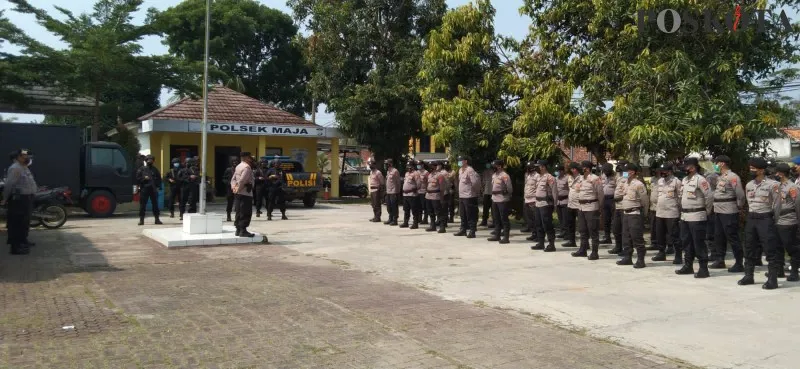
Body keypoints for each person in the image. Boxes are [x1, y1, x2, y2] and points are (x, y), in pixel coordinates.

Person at [740, 158, 781, 289]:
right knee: (749, 246)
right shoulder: (749, 185)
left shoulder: (773, 185)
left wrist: (773, 219)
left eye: (754, 169)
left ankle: (772, 279)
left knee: (769, 248)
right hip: (752, 218)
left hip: (765, 219)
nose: (751, 170)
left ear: (762, 170)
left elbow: (777, 205)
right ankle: (748, 275)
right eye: (750, 168)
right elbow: (748, 201)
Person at [675, 157, 713, 278]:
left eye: (686, 166)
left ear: (693, 167)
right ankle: (688, 266)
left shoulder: (700, 180)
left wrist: (706, 211)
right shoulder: (685, 180)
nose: (684, 168)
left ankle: (703, 268)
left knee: (699, 243)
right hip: (685, 216)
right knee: (686, 242)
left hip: (697, 215)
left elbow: (709, 197)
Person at [710, 155, 745, 272]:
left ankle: (739, 262)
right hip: (718, 209)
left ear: (722, 164)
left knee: (732, 236)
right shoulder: (719, 177)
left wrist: (739, 208)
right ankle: (720, 260)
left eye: (716, 163)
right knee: (718, 236)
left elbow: (740, 194)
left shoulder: (732, 177)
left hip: (729, 210)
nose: (715, 165)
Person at [2, 149, 37, 255]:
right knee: (16, 223)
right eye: (24, 156)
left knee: (24, 222)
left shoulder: (24, 167)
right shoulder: (15, 168)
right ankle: (15, 248)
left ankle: (22, 241)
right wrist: (5, 198)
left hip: (26, 198)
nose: (27, 158)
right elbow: (9, 185)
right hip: (18, 200)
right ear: (17, 158)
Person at [617, 163, 650, 268]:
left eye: (626, 171)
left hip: (635, 213)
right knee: (626, 237)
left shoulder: (638, 184)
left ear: (632, 172)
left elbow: (645, 200)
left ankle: (641, 260)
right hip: (626, 213)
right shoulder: (625, 183)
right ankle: (627, 257)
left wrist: (644, 214)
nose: (624, 173)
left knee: (637, 237)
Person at [571, 161, 604, 260]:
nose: (581, 169)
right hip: (581, 207)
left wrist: (600, 207)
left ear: (588, 168)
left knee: (593, 230)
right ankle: (583, 250)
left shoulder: (595, 178)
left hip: (591, 207)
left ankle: (595, 252)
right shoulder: (580, 178)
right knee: (582, 230)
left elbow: (600, 194)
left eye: (582, 167)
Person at [773, 163, 800, 282]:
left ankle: (794, 272)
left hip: (789, 220)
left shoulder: (792, 187)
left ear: (782, 173)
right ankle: (779, 270)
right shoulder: (776, 186)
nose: (775, 174)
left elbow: (798, 205)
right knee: (777, 247)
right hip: (777, 220)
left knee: (791, 247)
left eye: (777, 172)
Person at [651, 163, 682, 264]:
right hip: (660, 212)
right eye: (661, 171)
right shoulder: (660, 181)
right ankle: (661, 253)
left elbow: (680, 197)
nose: (662, 173)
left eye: (664, 171)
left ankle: (678, 255)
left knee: (674, 235)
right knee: (660, 234)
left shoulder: (676, 182)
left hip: (671, 212)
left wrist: (680, 210)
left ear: (670, 171)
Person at [532, 160, 559, 252]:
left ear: (543, 167)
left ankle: (551, 244)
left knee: (547, 224)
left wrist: (555, 205)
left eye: (539, 166)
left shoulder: (550, 177)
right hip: (538, 203)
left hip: (546, 204)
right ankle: (541, 243)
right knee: (538, 224)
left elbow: (555, 192)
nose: (537, 168)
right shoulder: (539, 177)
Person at [455, 155, 481, 238]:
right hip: (462, 196)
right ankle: (463, 229)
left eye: (460, 160)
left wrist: (475, 193)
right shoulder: (460, 170)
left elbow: (475, 183)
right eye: (458, 160)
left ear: (465, 161)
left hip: (469, 196)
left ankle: (472, 231)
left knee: (470, 214)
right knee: (462, 214)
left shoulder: (470, 170)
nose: (459, 161)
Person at [231, 152, 256, 237]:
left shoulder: (238, 166)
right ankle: (243, 230)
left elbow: (233, 179)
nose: (251, 159)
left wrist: (234, 188)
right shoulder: (247, 167)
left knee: (238, 211)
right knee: (245, 211)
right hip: (245, 193)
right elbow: (242, 180)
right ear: (246, 158)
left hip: (238, 192)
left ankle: (238, 230)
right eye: (249, 157)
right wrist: (239, 189)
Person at [488, 159, 513, 244]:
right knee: (496, 218)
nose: (493, 167)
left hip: (502, 199)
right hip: (494, 198)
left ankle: (506, 237)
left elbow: (509, 188)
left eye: (495, 166)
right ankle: (497, 235)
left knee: (504, 218)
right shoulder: (494, 175)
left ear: (499, 166)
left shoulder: (505, 175)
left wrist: (507, 195)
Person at [135, 155, 163, 226]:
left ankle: (157, 219)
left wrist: (158, 187)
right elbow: (137, 179)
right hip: (144, 189)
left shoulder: (155, 169)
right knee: (142, 205)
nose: (150, 161)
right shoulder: (141, 169)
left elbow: (159, 179)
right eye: (148, 160)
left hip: (153, 190)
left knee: (155, 205)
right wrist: (144, 178)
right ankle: (141, 220)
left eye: (151, 160)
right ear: (146, 161)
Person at [609, 160, 629, 254]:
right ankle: (618, 246)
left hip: (623, 205)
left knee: (624, 229)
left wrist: (619, 197)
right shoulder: (618, 176)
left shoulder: (626, 176)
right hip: (617, 205)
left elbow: (626, 190)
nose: (618, 167)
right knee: (616, 228)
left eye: (620, 166)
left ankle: (626, 249)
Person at [562, 162, 582, 248]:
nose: (572, 170)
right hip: (570, 204)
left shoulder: (581, 178)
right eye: (571, 168)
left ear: (577, 169)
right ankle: (571, 241)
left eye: (573, 168)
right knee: (570, 224)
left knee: (581, 225)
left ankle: (584, 243)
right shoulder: (569, 178)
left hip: (579, 204)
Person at [425, 161, 446, 233]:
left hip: (436, 196)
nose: (429, 167)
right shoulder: (429, 175)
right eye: (429, 166)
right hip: (428, 196)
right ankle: (432, 226)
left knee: (439, 212)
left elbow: (442, 188)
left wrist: (441, 198)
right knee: (430, 212)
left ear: (435, 166)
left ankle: (442, 227)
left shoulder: (440, 175)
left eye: (431, 166)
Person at [401, 159, 422, 229]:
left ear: (413, 166)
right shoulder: (407, 174)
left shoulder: (416, 173)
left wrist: (415, 189)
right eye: (407, 166)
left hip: (412, 194)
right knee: (406, 209)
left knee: (414, 210)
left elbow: (419, 184)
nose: (408, 167)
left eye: (410, 166)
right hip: (405, 194)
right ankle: (405, 222)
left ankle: (415, 223)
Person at [599, 163, 617, 245]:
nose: (605, 173)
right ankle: (607, 237)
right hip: (604, 199)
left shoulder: (616, 176)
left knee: (615, 220)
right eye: (604, 171)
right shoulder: (602, 175)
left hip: (613, 199)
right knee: (606, 219)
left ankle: (617, 239)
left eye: (607, 171)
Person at [523, 161, 539, 241]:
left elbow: (538, 188)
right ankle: (533, 233)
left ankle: (538, 235)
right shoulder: (527, 175)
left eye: (529, 168)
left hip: (533, 200)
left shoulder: (537, 176)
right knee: (530, 219)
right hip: (527, 199)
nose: (528, 169)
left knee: (535, 219)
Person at [554, 163, 570, 239]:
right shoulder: (556, 179)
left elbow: (570, 190)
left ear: (563, 171)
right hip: (558, 201)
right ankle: (562, 232)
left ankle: (567, 233)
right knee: (560, 218)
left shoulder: (567, 178)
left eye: (559, 170)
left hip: (565, 200)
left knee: (566, 218)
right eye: (557, 171)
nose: (558, 172)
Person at [222, 156, 240, 222]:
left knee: (238, 203)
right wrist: (229, 183)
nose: (235, 162)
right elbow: (224, 179)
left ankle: (237, 217)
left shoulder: (239, 169)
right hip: (230, 189)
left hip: (238, 188)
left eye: (236, 161)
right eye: (233, 161)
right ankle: (228, 215)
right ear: (231, 162)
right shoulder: (228, 170)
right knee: (230, 203)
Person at [384, 159, 401, 226]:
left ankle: (395, 220)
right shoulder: (388, 171)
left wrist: (397, 192)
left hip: (394, 192)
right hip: (388, 192)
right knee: (389, 206)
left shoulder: (395, 171)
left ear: (390, 164)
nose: (385, 165)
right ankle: (390, 218)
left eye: (386, 164)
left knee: (394, 206)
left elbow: (398, 182)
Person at [367, 158, 385, 222]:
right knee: (373, 204)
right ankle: (375, 216)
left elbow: (382, 183)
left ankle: (378, 217)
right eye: (369, 165)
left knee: (377, 204)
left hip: (377, 190)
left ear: (374, 165)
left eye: (371, 164)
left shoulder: (378, 172)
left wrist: (381, 192)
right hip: (372, 190)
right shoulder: (371, 172)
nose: (370, 166)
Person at [480, 162, 494, 227]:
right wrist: (482, 190)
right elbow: (482, 181)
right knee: (485, 207)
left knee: (493, 208)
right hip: (486, 192)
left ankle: (494, 221)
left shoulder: (494, 172)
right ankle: (484, 221)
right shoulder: (484, 172)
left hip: (493, 192)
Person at [416, 160, 429, 225]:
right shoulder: (417, 172)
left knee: (425, 207)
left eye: (419, 164)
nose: (418, 165)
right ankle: (419, 218)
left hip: (424, 191)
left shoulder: (426, 172)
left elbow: (428, 181)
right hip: (417, 191)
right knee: (418, 206)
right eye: (417, 164)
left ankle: (425, 219)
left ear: (422, 165)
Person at [441, 160, 454, 225]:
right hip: (445, 191)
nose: (446, 166)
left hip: (450, 190)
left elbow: (451, 178)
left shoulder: (452, 172)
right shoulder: (443, 172)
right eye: (445, 165)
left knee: (450, 205)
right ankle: (445, 219)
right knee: (444, 206)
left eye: (447, 165)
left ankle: (450, 218)